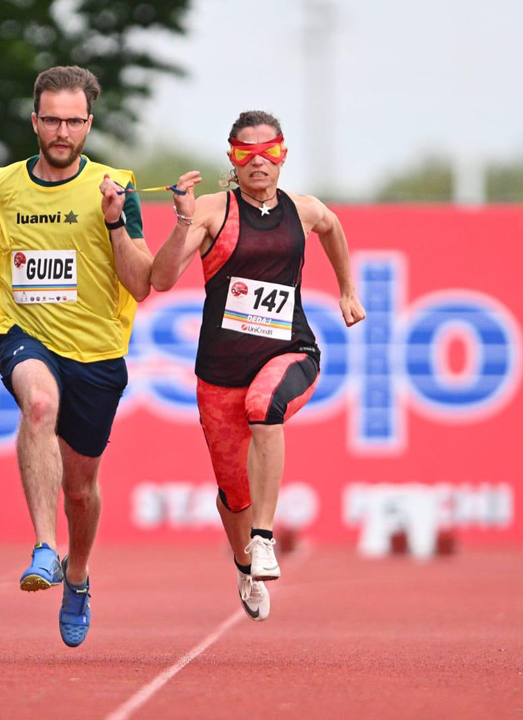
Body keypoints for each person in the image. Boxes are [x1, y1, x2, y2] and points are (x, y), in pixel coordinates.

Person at [0, 66, 186, 647]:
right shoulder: (3, 185)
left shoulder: (116, 187)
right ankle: (43, 546)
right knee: (37, 405)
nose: (62, 132)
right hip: (22, 330)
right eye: (52, 120)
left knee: (81, 490)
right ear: (35, 122)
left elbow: (141, 285)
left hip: (96, 352)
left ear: (89, 124)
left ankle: (76, 575)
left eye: (73, 122)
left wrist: (113, 221)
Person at [150, 111, 366, 622]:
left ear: (283, 154)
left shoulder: (303, 209)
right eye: (247, 152)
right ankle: (245, 563)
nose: (259, 161)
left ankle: (265, 538)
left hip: (290, 351)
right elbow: (160, 280)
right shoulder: (211, 210)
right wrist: (182, 221)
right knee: (233, 495)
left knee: (264, 406)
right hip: (220, 371)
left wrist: (347, 289)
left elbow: (332, 227)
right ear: (232, 157)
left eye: (269, 151)